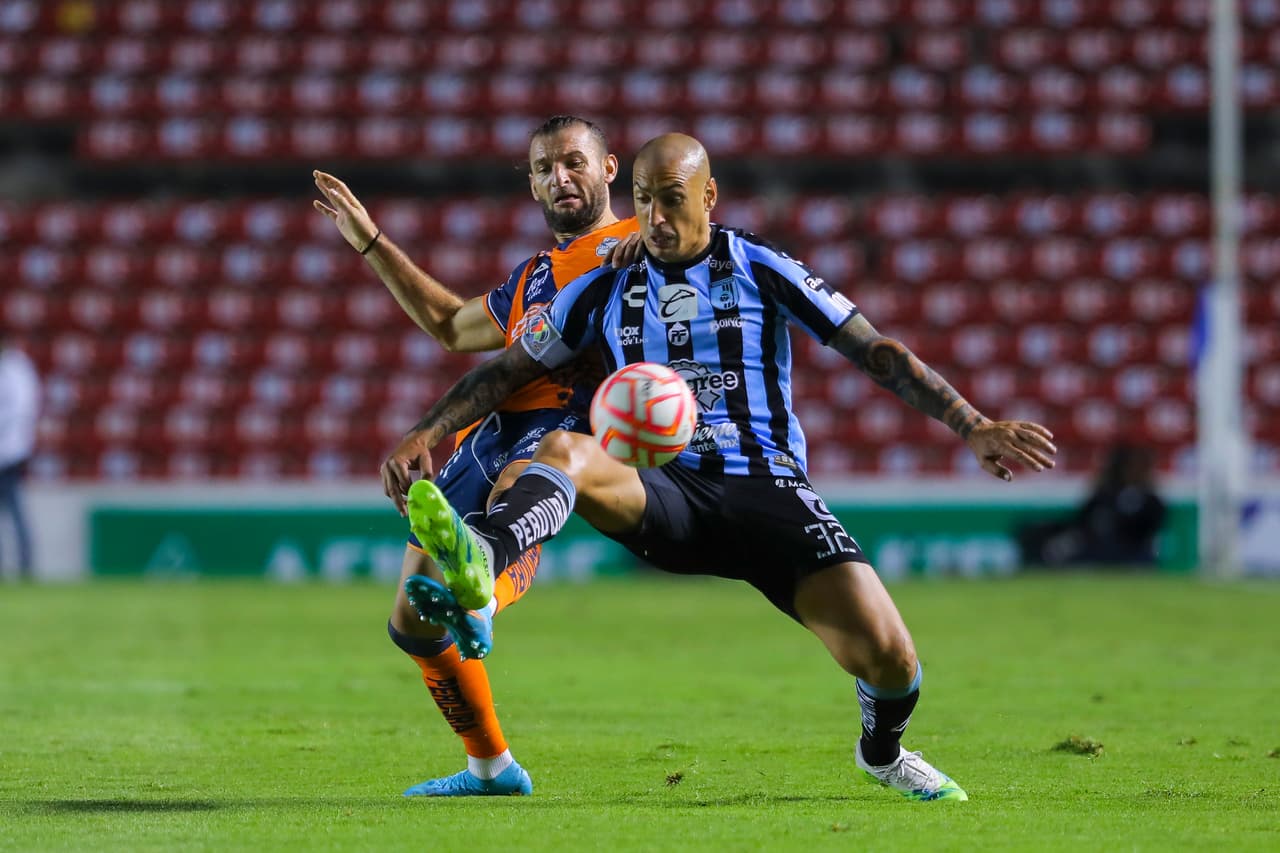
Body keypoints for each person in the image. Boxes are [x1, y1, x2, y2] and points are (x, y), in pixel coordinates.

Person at [382, 133, 1058, 802]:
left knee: (893, 661)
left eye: (672, 200)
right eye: (643, 201)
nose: (655, 218)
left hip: (768, 489)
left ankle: (881, 754)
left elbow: (873, 350)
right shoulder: (603, 285)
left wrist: (972, 423)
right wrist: (425, 430)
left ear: (708, 195)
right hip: (665, 490)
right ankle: (484, 557)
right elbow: (506, 368)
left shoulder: (759, 266)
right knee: (564, 450)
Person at [314, 115, 637, 797]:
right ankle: (491, 766)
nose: (561, 177)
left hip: (560, 426)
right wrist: (371, 243)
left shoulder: (635, 247)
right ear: (530, 183)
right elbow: (451, 325)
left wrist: (654, 240)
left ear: (610, 170)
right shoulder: (534, 277)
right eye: (545, 167)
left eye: (576, 162)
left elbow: (691, 246)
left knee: (520, 486)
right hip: (483, 434)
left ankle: (483, 590)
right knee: (410, 620)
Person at [1018, 443, 1166, 567]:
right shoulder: (1105, 495)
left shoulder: (1151, 500)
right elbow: (1083, 521)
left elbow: (1148, 530)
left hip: (1131, 552)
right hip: (1096, 548)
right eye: (1130, 466)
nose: (1133, 472)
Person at [0, 329, 39, 579]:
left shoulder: (17, 368)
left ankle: (26, 566)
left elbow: (22, 410)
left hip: (11, 452)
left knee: (15, 511)